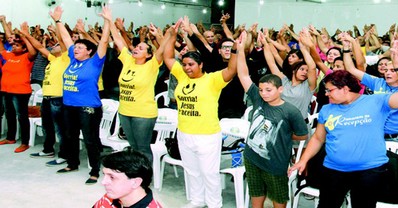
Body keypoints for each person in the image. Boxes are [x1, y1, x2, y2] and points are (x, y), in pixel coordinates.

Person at [288, 69, 398, 208]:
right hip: (334, 170)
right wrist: (303, 160)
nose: (326, 94)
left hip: (370, 171)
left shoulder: (377, 101)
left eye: (330, 90)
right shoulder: (327, 109)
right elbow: (318, 138)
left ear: (345, 89)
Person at [163, 22, 237, 208]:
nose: (187, 68)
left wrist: (236, 49)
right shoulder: (181, 75)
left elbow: (231, 70)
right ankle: (197, 200)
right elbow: (168, 57)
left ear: (201, 64)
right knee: (192, 171)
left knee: (209, 173)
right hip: (184, 133)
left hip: (207, 135)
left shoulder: (212, 80)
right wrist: (172, 35)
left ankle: (214, 204)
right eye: (185, 64)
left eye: (191, 64)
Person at [236, 31, 308, 208]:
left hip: (275, 163)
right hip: (252, 157)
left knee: (278, 197)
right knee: (256, 192)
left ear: (280, 90)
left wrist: (284, 135)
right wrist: (240, 49)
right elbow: (243, 75)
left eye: (269, 90)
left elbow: (302, 135)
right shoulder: (259, 99)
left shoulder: (290, 111)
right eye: (261, 90)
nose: (263, 94)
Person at [101, 8, 172, 162]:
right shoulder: (128, 61)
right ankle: (136, 172)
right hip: (125, 111)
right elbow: (118, 40)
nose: (136, 49)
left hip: (143, 114)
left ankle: (146, 178)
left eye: (141, 48)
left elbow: (162, 50)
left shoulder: (152, 65)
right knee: (133, 146)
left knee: (143, 148)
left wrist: (165, 35)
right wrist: (109, 20)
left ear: (148, 54)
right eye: (136, 47)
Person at [49, 5, 110, 185]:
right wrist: (58, 21)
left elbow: (104, 42)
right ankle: (72, 163)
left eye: (80, 47)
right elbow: (67, 38)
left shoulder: (95, 62)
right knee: (70, 136)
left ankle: (94, 171)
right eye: (76, 47)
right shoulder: (73, 60)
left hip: (88, 108)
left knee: (90, 140)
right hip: (69, 105)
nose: (76, 49)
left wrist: (107, 21)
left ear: (89, 51)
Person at [20, 22, 70, 166]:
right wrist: (27, 35)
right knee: (46, 125)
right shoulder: (53, 59)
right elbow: (40, 47)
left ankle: (64, 155)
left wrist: (57, 24)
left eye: (56, 45)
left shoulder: (66, 58)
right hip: (47, 98)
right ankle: (48, 149)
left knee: (60, 129)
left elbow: (62, 41)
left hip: (59, 99)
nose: (52, 46)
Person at [260, 29, 317, 119]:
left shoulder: (308, 86)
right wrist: (265, 43)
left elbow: (312, 68)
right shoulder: (284, 80)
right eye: (302, 69)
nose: (305, 72)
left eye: (307, 71)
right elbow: (271, 63)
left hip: (299, 126)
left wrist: (302, 48)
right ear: (294, 70)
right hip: (281, 123)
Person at [0, 27, 37, 153]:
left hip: (20, 92)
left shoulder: (27, 57)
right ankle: (10, 138)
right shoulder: (9, 55)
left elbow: (33, 51)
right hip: (6, 90)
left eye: (17, 45)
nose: (14, 47)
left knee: (22, 116)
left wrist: (25, 37)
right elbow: (1, 49)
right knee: (9, 114)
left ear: (24, 48)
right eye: (13, 45)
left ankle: (25, 142)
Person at [93, 148, 162, 208]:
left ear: (135, 182)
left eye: (112, 177)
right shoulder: (110, 197)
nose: (103, 182)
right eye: (104, 175)